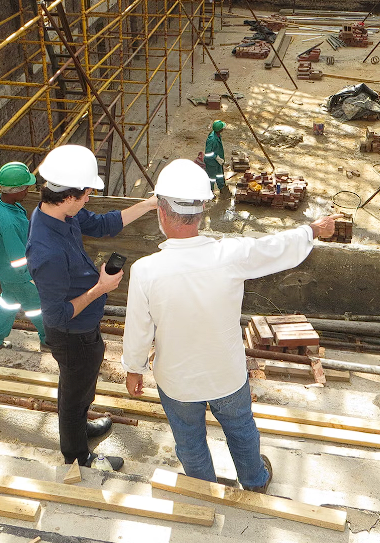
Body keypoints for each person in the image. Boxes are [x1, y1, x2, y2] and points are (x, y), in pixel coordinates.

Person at [121, 158, 340, 492]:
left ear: (161, 213)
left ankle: (204, 490)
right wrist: (314, 228)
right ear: (202, 212)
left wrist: (133, 369)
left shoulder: (146, 270)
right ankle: (254, 481)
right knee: (241, 430)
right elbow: (276, 247)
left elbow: (138, 329)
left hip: (177, 381)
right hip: (227, 374)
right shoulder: (230, 255)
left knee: (189, 441)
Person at [26, 144, 157, 471]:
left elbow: (102, 225)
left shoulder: (58, 211)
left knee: (80, 386)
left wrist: (150, 204)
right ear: (69, 196)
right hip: (71, 333)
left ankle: (81, 426)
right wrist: (100, 288)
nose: (88, 200)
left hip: (84, 329)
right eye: (86, 195)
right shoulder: (48, 253)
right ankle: (77, 455)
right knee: (73, 395)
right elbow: (54, 315)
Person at [0, 162, 46, 350]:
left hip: (3, 268)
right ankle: (50, 340)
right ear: (14, 190)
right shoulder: (9, 221)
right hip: (19, 275)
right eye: (25, 187)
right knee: (38, 307)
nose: (28, 191)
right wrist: (31, 277)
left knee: (8, 302)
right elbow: (18, 258)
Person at [204, 119, 226, 192]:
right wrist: (216, 157)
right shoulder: (212, 139)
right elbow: (208, 153)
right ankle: (210, 192)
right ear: (220, 130)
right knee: (211, 178)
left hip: (217, 161)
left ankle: (222, 187)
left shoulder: (217, 135)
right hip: (211, 163)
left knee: (220, 175)